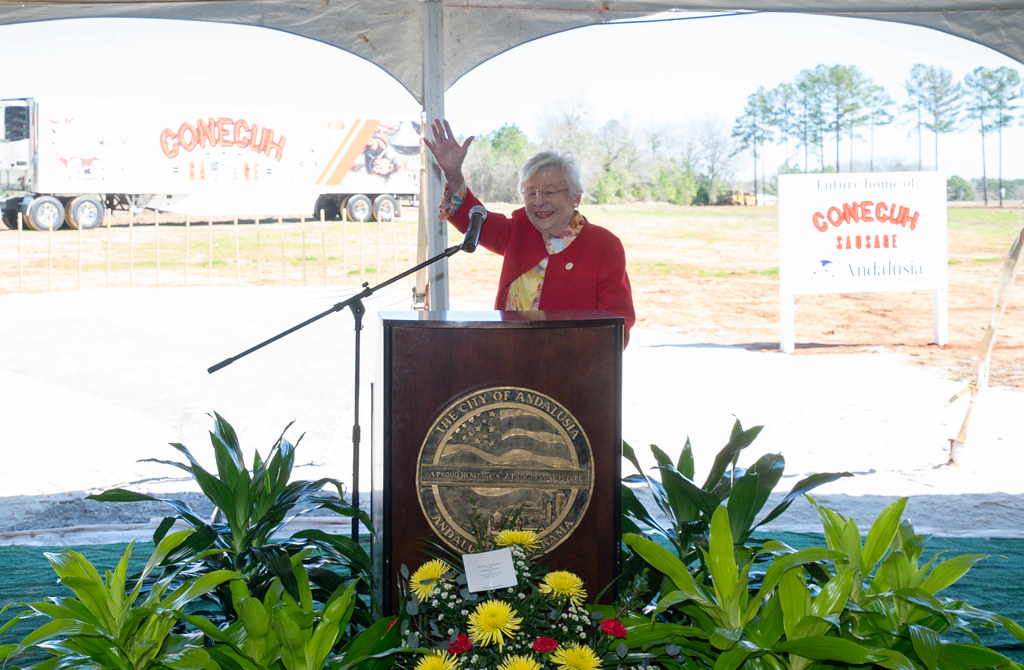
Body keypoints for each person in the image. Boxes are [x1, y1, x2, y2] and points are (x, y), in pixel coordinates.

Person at [423, 118, 636, 346]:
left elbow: (617, 325)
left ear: (576, 197)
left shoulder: (603, 245)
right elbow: (474, 221)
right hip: (509, 359)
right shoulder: (520, 228)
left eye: (549, 192)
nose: (539, 202)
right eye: (530, 193)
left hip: (573, 368)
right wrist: (453, 174)